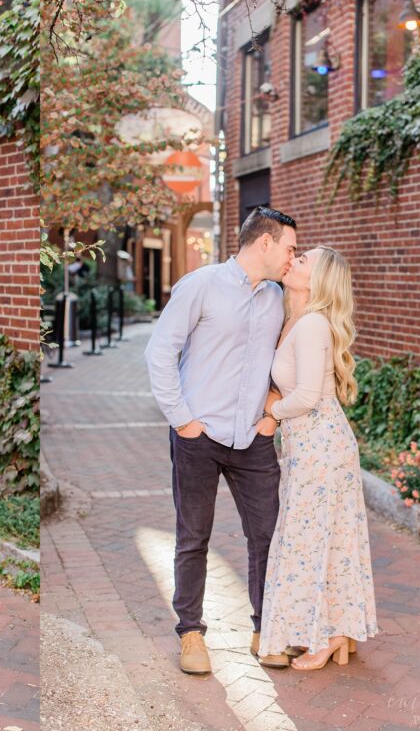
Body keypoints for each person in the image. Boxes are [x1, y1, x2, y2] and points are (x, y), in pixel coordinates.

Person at [144, 206, 297, 675]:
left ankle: (265, 629)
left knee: (268, 534)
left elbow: (285, 355)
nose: (293, 257)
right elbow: (159, 353)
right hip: (200, 435)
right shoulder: (201, 285)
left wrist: (270, 414)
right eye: (290, 248)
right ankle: (190, 632)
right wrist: (183, 420)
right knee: (193, 536)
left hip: (253, 437)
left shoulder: (278, 297)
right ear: (265, 243)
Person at [259, 246, 378, 670]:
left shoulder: (311, 324)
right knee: (325, 539)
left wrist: (271, 411)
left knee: (312, 540)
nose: (294, 260)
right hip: (307, 444)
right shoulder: (296, 317)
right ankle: (337, 631)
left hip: (320, 444)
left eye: (303, 259)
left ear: (318, 280)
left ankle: (326, 636)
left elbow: (308, 396)